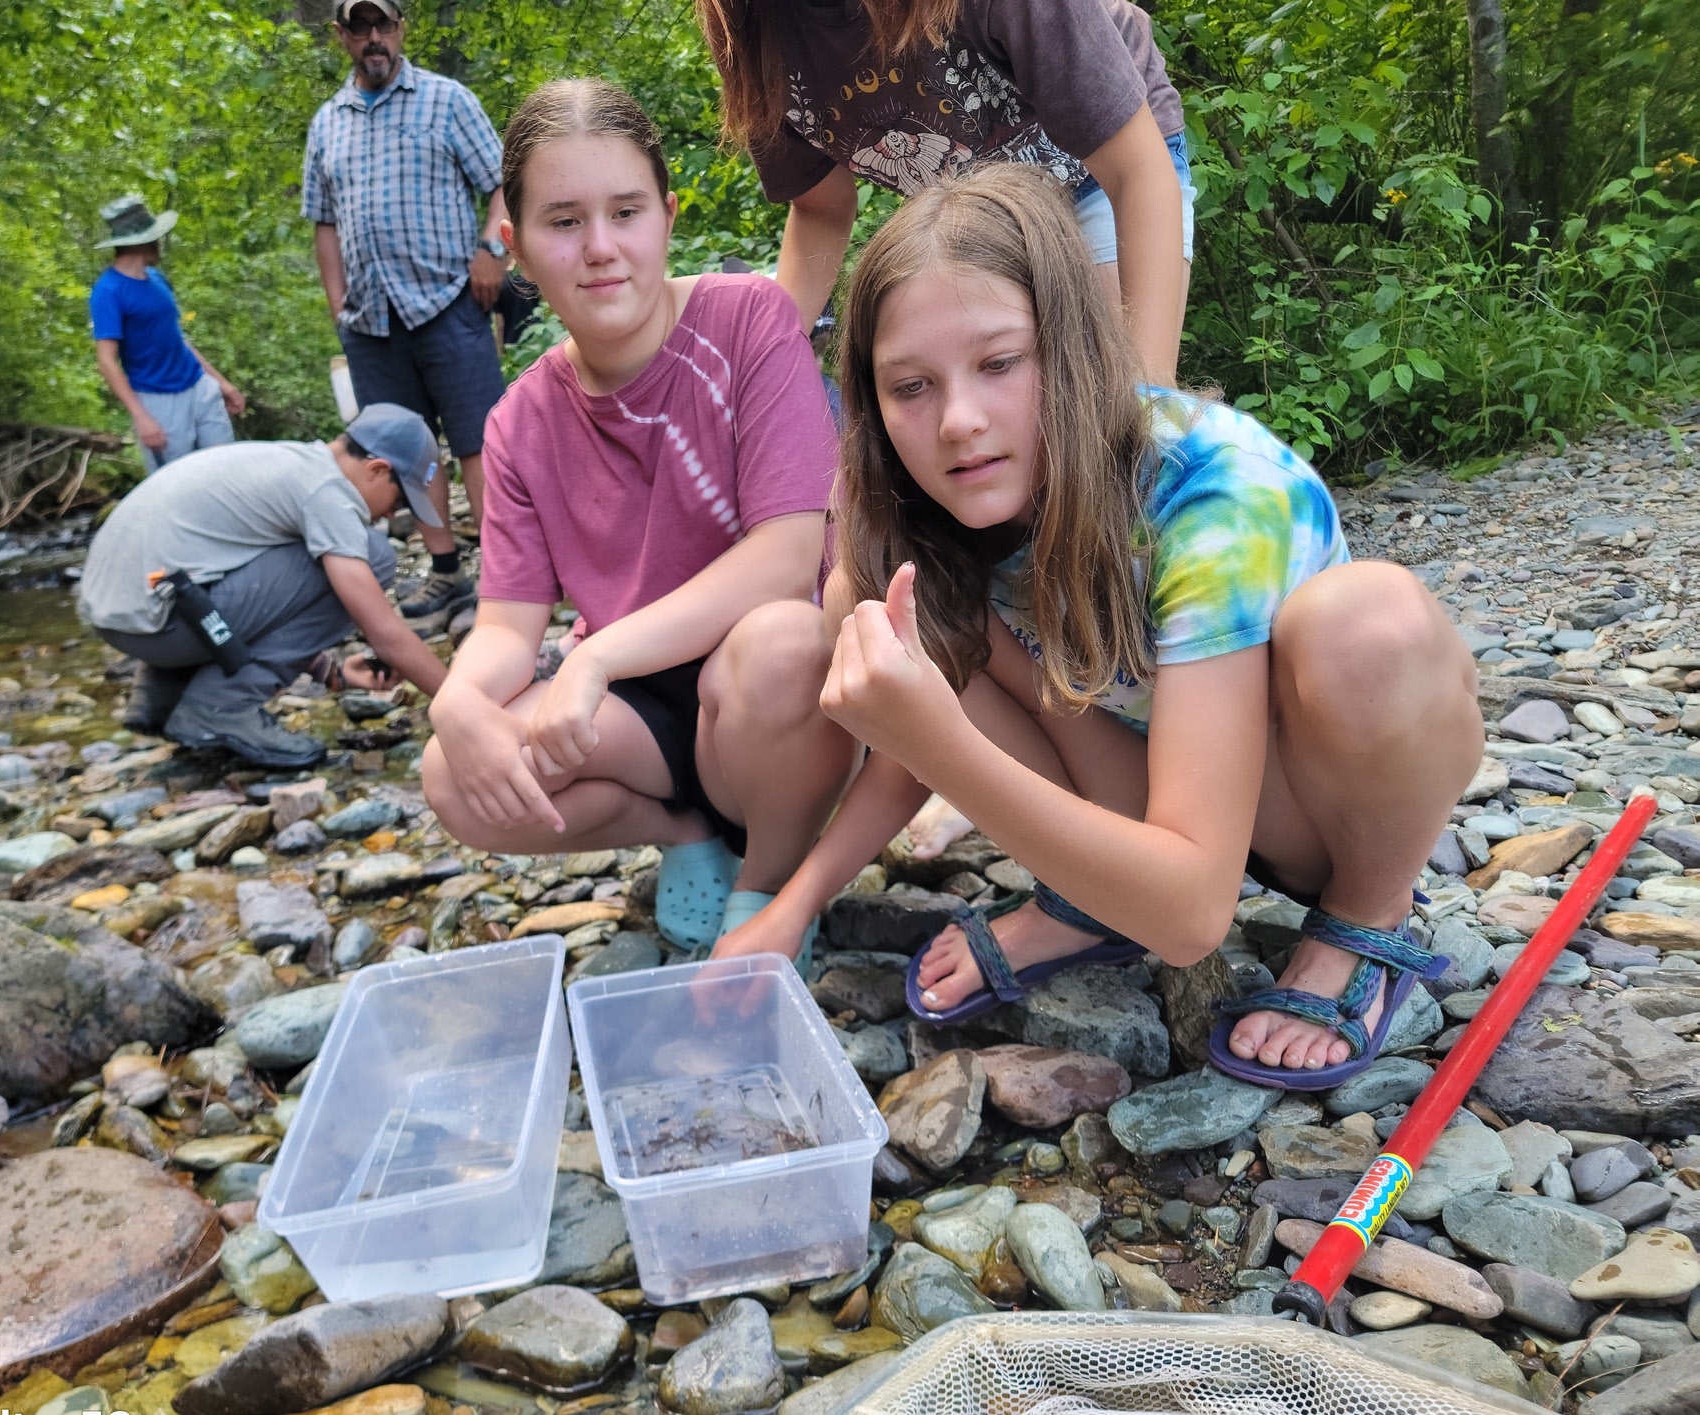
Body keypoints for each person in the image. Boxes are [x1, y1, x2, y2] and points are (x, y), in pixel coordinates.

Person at [714, 165, 1483, 1089]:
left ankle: (1366, 915)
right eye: (910, 386)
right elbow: (899, 755)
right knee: (893, 607)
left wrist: (940, 741)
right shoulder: (924, 513)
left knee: (1372, 620)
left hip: (1304, 805)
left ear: (1074, 346)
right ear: (869, 404)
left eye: (1000, 363)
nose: (959, 421)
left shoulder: (1212, 491)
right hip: (1150, 781)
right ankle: (1095, 900)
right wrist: (791, 906)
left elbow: (1195, 917)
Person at [420, 78, 856, 958]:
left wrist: (594, 656)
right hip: (647, 716)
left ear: (666, 212)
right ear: (515, 243)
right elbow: (507, 621)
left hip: (782, 697)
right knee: (452, 776)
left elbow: (784, 556)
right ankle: (679, 828)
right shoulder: (516, 424)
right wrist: (457, 702)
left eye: (625, 211)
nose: (600, 249)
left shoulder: (750, 322)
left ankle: (767, 885)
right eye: (563, 221)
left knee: (780, 640)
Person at [695, 0, 1195, 388]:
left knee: (1105, 397)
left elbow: (1136, 173)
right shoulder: (745, 27)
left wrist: (1152, 397)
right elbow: (821, 208)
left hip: (1102, 172)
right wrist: (764, 362)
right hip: (978, 218)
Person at [78, 403, 450, 768]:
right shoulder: (328, 493)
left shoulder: (289, 461)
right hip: (165, 625)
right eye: (399, 500)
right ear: (377, 469)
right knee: (375, 555)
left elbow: (265, 594)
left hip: (127, 620)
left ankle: (163, 695)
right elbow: (384, 633)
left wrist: (329, 672)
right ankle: (220, 707)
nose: (390, 514)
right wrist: (464, 702)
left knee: (329, 554)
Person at [303, 0, 510, 621]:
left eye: (384, 25)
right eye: (360, 27)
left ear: (401, 30)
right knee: (403, 452)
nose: (374, 38)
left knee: (480, 441)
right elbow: (324, 221)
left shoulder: (447, 101)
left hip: (448, 299)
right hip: (370, 320)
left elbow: (502, 182)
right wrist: (336, 302)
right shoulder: (327, 123)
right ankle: (446, 572)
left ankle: (504, 580)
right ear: (342, 36)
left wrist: (492, 250)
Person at [89, 194, 246, 474]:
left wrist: (221, 383)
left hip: (199, 388)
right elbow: (107, 362)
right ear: (143, 241)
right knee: (175, 485)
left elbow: (177, 339)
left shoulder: (158, 280)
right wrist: (142, 418)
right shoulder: (108, 291)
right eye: (157, 236)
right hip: (158, 402)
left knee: (227, 472)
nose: (161, 242)